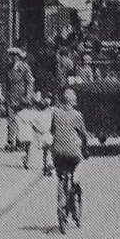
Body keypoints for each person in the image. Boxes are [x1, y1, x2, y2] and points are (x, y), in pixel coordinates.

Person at [49, 88, 91, 219]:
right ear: (74, 101)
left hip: (57, 152)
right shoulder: (77, 115)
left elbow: (51, 130)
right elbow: (84, 135)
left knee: (61, 176)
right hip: (73, 153)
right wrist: (85, 148)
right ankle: (73, 189)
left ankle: (61, 202)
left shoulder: (55, 113)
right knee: (75, 171)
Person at [6, 47, 37, 150]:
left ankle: (21, 142)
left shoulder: (24, 67)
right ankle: (11, 142)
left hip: (22, 97)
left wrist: (28, 95)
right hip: (11, 96)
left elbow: (30, 81)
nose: (10, 58)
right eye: (10, 56)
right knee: (11, 120)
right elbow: (6, 83)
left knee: (22, 120)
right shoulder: (8, 68)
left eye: (12, 56)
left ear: (17, 57)